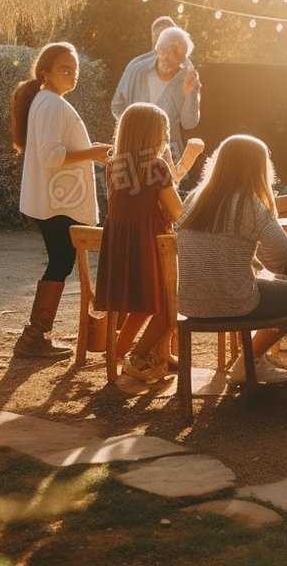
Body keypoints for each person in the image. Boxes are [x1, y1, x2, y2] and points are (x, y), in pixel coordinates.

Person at [177, 135, 287, 384]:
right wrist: (268, 269)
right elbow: (280, 251)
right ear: (257, 168)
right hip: (235, 300)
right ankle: (249, 362)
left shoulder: (195, 198)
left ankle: (253, 361)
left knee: (272, 290)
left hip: (190, 302)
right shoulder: (248, 202)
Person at [10, 42, 111, 358]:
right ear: (45, 73)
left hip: (54, 199)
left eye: (75, 69)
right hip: (58, 202)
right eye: (65, 69)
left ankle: (36, 335)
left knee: (60, 261)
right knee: (61, 262)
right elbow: (52, 156)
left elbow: (55, 149)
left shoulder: (47, 101)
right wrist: (93, 153)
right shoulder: (51, 104)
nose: (72, 74)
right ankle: (34, 336)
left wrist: (91, 150)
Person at [93, 103, 185, 383]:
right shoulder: (156, 167)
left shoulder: (113, 165)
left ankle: (120, 352)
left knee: (144, 305)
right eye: (164, 131)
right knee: (168, 307)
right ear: (154, 134)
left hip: (123, 244)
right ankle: (138, 357)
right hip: (152, 242)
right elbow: (177, 210)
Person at [110, 24, 200, 165]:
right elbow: (117, 106)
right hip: (132, 153)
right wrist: (132, 130)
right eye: (166, 50)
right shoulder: (136, 70)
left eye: (177, 54)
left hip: (169, 158)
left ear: (183, 60)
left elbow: (188, 124)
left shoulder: (188, 79)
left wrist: (190, 94)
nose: (169, 57)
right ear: (158, 49)